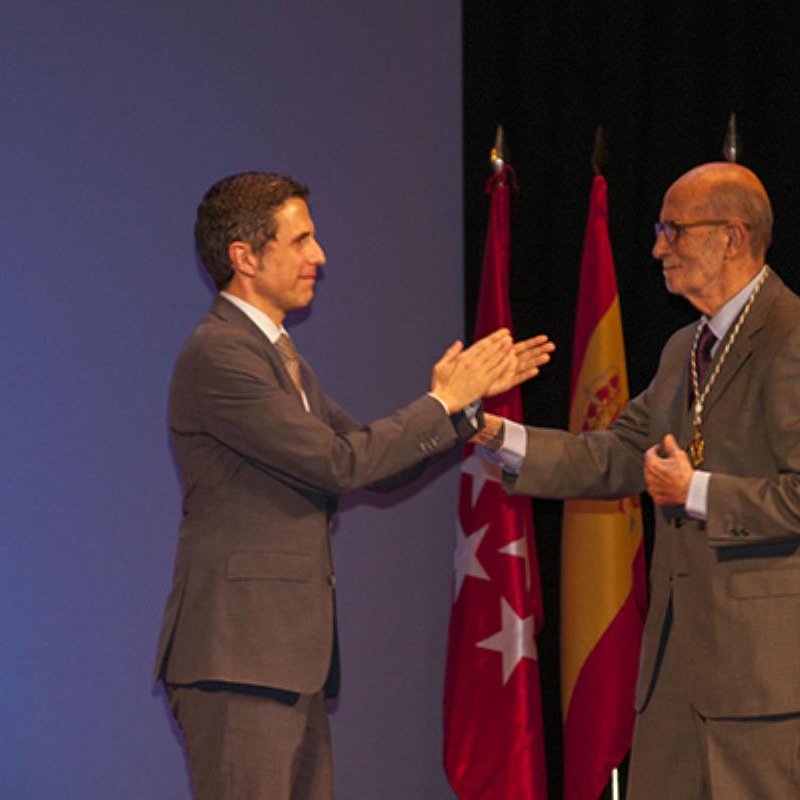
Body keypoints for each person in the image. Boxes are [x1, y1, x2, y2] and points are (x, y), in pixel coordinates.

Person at [152, 171, 552, 799]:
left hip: (286, 662)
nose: (320, 256)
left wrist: (460, 410)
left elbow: (372, 458)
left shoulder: (285, 360)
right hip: (240, 660)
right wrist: (440, 401)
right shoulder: (220, 355)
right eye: (301, 240)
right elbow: (340, 464)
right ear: (245, 258)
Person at [475, 162, 800, 798]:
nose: (658, 247)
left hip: (767, 671)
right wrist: (499, 436)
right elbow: (621, 453)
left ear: (731, 237)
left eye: (672, 230)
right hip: (678, 668)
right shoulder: (686, 345)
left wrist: (696, 491)